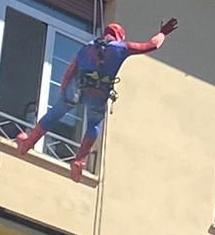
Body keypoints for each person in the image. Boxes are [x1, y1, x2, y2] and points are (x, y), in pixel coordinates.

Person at [13, 18, 177, 182]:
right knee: (93, 124)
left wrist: (64, 90)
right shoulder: (121, 47)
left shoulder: (87, 47)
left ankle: (28, 143)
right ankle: (79, 160)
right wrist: (163, 33)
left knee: (55, 113)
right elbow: (151, 45)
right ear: (120, 36)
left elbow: (71, 70)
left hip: (78, 87)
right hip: (99, 93)